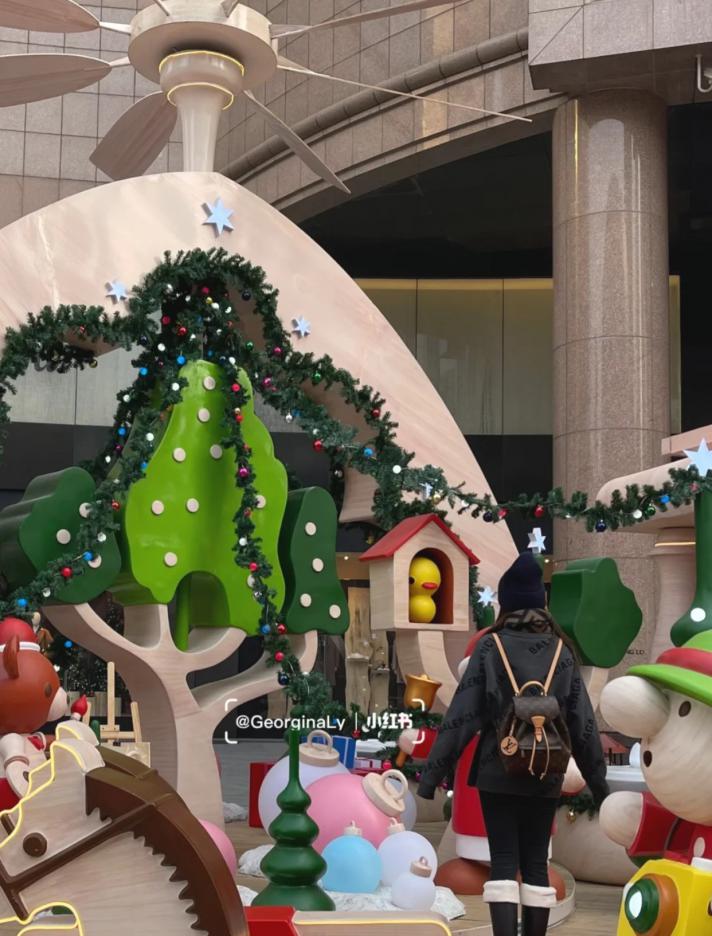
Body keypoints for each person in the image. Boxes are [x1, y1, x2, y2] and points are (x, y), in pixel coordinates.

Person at [417, 552, 609, 936]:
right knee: (536, 863)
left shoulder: (490, 647)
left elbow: (462, 716)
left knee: (503, 862)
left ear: (505, 603)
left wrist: (431, 776)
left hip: (497, 770)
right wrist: (599, 785)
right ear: (541, 602)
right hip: (546, 770)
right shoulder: (562, 650)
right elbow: (583, 723)